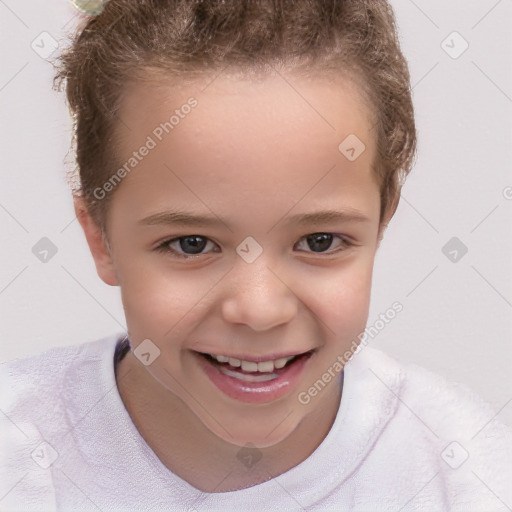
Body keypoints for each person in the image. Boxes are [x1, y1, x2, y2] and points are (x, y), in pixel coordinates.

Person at [1, 1, 511, 510]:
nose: (260, 310)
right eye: (191, 244)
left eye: (319, 241)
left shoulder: (467, 471)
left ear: (381, 223)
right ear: (100, 238)